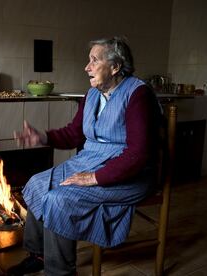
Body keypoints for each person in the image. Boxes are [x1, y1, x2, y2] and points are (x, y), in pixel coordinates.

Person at [10, 37, 161, 275]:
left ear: (115, 67)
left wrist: (94, 178)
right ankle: (39, 255)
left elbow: (138, 154)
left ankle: (60, 272)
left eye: (94, 60)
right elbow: (74, 134)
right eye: (88, 60)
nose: (86, 67)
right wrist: (43, 137)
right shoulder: (91, 95)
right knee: (37, 183)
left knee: (59, 200)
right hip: (88, 160)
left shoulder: (138, 94)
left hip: (131, 172)